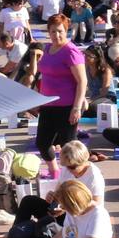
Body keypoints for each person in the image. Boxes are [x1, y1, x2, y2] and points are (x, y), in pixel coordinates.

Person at [36, 14, 87, 174]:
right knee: (42, 143)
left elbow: (82, 81)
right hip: (47, 104)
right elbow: (44, 75)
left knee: (69, 147)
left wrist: (77, 107)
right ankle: (55, 172)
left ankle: (79, 175)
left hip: (67, 106)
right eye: (53, 32)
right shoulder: (47, 49)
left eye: (60, 31)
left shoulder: (71, 52)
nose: (56, 35)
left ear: (66, 31)